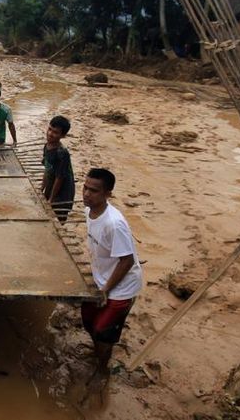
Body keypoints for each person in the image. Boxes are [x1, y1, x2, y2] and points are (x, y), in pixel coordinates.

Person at [80, 168, 142, 386]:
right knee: (88, 319)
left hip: (122, 285)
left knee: (103, 330)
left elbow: (127, 261)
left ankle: (102, 368)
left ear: (108, 194)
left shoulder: (114, 224)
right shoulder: (89, 212)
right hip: (102, 279)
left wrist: (106, 289)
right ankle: (98, 351)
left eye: (94, 191)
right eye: (85, 187)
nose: (87, 194)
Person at [42, 115, 75, 222]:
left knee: (59, 214)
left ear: (63, 135)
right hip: (51, 184)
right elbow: (47, 170)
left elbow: (59, 178)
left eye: (55, 132)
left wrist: (51, 199)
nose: (50, 134)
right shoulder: (47, 146)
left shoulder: (62, 153)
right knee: (46, 209)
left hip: (63, 190)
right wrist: (41, 188)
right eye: (50, 129)